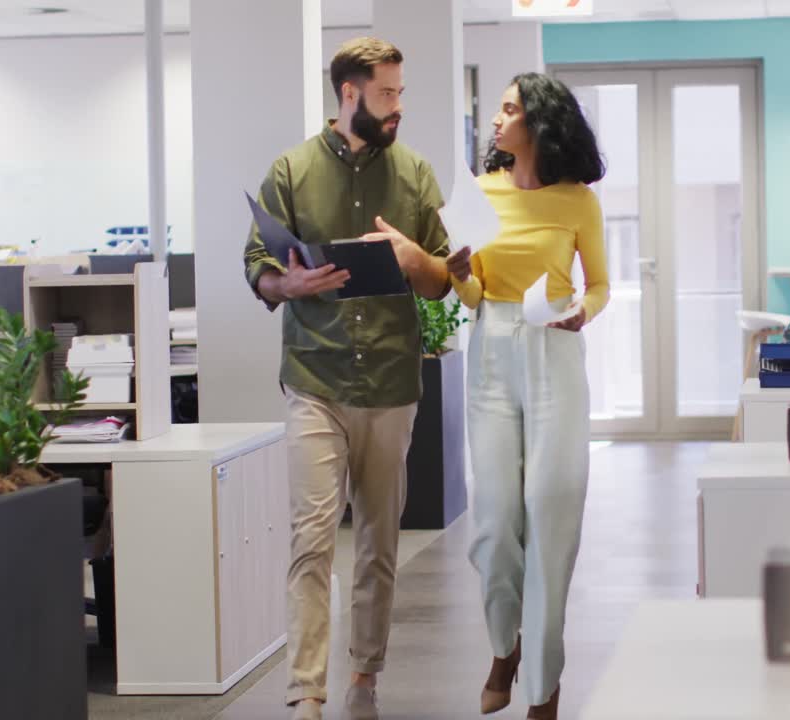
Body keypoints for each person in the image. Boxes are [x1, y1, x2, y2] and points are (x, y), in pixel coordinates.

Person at [243, 36, 460, 720]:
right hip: (315, 375)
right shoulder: (292, 169)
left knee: (378, 544)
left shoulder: (417, 174)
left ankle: (364, 680)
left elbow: (440, 283)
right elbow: (259, 267)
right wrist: (290, 280)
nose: (398, 106)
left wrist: (410, 252)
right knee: (311, 536)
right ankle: (307, 692)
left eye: (400, 92)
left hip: (392, 382)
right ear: (349, 94)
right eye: (387, 93)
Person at [447, 73, 609, 720]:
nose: (496, 120)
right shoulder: (477, 193)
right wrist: (459, 275)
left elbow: (598, 284)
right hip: (492, 346)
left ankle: (543, 686)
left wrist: (582, 314)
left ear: (539, 124)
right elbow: (476, 294)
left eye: (509, 110)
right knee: (494, 524)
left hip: (554, 345)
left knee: (551, 513)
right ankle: (503, 647)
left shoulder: (577, 201)